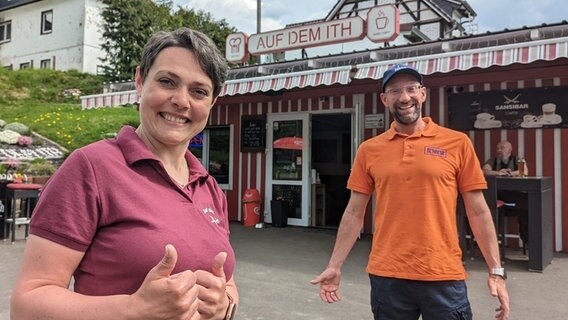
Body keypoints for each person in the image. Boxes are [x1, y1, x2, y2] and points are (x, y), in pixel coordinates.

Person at [11, 28, 238, 320]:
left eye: (199, 91)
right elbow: (27, 305)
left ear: (212, 103)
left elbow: (228, 283)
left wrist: (225, 306)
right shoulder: (90, 168)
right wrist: (134, 310)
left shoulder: (210, 188)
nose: (182, 101)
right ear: (140, 82)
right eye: (167, 82)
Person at [311, 64, 509, 320]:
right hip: (387, 276)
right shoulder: (369, 150)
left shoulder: (457, 143)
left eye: (411, 89)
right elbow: (353, 213)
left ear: (423, 93)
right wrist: (334, 266)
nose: (404, 97)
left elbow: (479, 211)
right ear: (385, 99)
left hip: (443, 274)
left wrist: (496, 270)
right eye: (395, 91)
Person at [483, 140, 529, 248]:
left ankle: (528, 241)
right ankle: (491, 244)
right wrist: (498, 173)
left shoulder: (517, 159)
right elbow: (484, 170)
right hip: (497, 197)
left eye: (502, 148)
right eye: (497, 148)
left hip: (514, 197)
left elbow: (524, 172)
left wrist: (509, 174)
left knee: (527, 209)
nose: (499, 150)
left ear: (510, 149)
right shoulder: (493, 160)